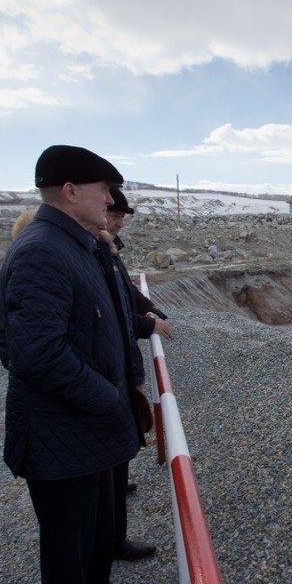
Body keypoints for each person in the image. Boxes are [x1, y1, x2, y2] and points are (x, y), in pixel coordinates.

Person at [0, 144, 145, 584]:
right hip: (63, 436)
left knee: (92, 541)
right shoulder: (42, 251)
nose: (110, 200)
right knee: (66, 554)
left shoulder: (76, 245)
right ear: (72, 191)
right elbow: (36, 353)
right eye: (104, 190)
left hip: (87, 434)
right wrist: (108, 396)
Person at [99, 187, 173, 562]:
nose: (119, 222)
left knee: (116, 452)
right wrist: (147, 324)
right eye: (115, 214)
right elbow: (112, 314)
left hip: (117, 371)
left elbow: (127, 295)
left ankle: (112, 534)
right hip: (106, 380)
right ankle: (109, 548)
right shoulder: (86, 253)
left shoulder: (107, 252)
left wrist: (154, 312)